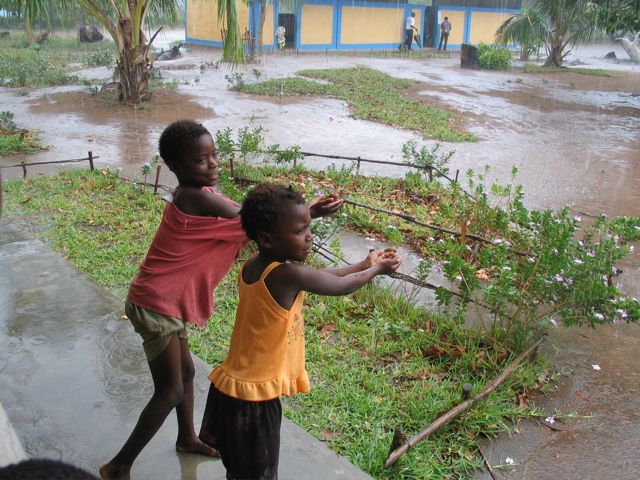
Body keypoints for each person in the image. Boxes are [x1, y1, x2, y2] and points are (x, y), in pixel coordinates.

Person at [99, 121, 342, 480]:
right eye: (201, 159)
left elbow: (254, 223)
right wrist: (308, 213)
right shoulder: (194, 196)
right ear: (177, 168)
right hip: (156, 304)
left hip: (168, 303)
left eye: (213, 155)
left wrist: (305, 213)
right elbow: (251, 224)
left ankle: (186, 438)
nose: (212, 164)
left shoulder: (202, 194)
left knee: (186, 372)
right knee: (169, 391)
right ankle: (119, 465)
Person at [198, 182, 402, 480]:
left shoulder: (255, 265)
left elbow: (318, 276)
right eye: (298, 232)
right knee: (258, 475)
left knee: (240, 470)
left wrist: (363, 263)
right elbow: (340, 286)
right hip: (254, 400)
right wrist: (377, 269)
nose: (309, 237)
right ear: (267, 238)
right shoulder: (287, 274)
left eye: (308, 227)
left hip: (231, 388)